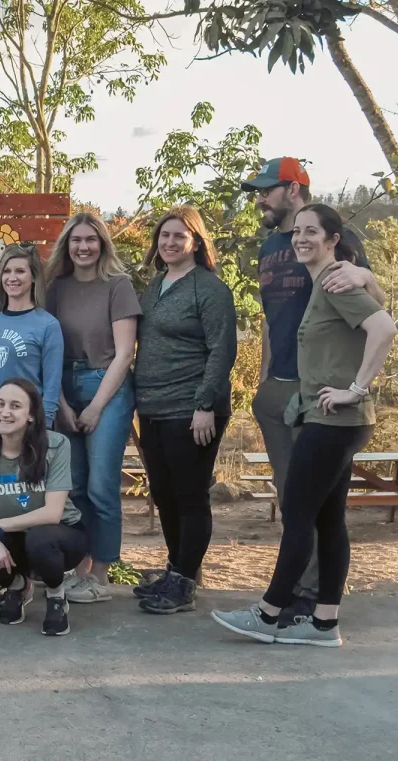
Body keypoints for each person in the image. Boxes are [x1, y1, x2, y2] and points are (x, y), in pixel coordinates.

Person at [212, 205, 397, 647]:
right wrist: (369, 280)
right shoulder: (326, 283)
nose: (300, 239)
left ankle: (269, 614)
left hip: (336, 418)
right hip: (333, 418)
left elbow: (384, 328)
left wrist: (356, 388)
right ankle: (323, 624)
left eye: (312, 231)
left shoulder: (335, 282)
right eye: (297, 232)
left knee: (298, 513)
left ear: (334, 239)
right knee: (328, 520)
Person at [242, 158, 386, 624]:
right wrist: (263, 380)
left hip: (322, 394)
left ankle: (304, 602)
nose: (259, 199)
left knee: (308, 504)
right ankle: (314, 602)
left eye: (266, 190)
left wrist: (368, 276)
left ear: (293, 188)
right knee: (299, 500)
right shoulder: (268, 247)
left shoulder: (332, 237)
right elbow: (272, 319)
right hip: (279, 387)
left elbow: (376, 309)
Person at [133, 206, 238, 615]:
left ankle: (184, 583)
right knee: (164, 494)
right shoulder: (156, 284)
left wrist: (205, 404)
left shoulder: (209, 289)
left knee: (190, 496)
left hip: (192, 409)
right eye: (164, 236)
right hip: (155, 408)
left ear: (196, 241)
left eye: (179, 236)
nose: (170, 242)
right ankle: (176, 571)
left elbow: (222, 349)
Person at [45, 212, 141, 603]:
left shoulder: (118, 286)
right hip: (65, 386)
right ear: (66, 245)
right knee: (76, 486)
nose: (83, 247)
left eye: (91, 240)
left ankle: (100, 575)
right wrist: (62, 405)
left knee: (102, 486)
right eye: (76, 240)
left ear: (102, 244)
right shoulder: (54, 289)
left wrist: (98, 407)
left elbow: (124, 354)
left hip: (107, 385)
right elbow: (49, 353)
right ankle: (80, 571)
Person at [0, 379, 86, 636]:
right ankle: (19, 585)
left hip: (60, 534)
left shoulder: (55, 445)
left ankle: (56, 595)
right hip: (13, 536)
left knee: (39, 538)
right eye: (0, 404)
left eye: (15, 406)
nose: (5, 412)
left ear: (31, 415)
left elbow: (52, 513)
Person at [0, 244, 64, 427]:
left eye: (20, 271)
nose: (12, 278)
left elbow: (52, 387)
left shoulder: (48, 325)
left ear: (33, 277)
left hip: (25, 425)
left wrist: (43, 428)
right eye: (6, 271)